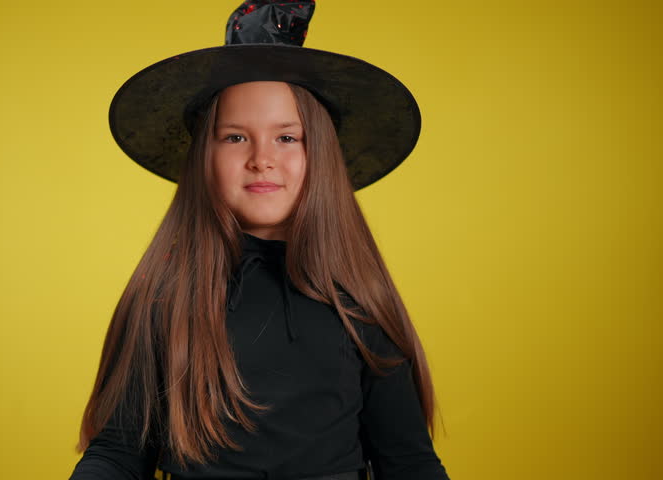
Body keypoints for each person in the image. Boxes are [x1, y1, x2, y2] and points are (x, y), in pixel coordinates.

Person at [70, 2, 450, 479]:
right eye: (235, 138)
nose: (261, 159)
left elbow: (408, 461)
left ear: (320, 154)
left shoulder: (360, 302)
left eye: (287, 138)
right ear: (204, 157)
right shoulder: (164, 297)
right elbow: (118, 453)